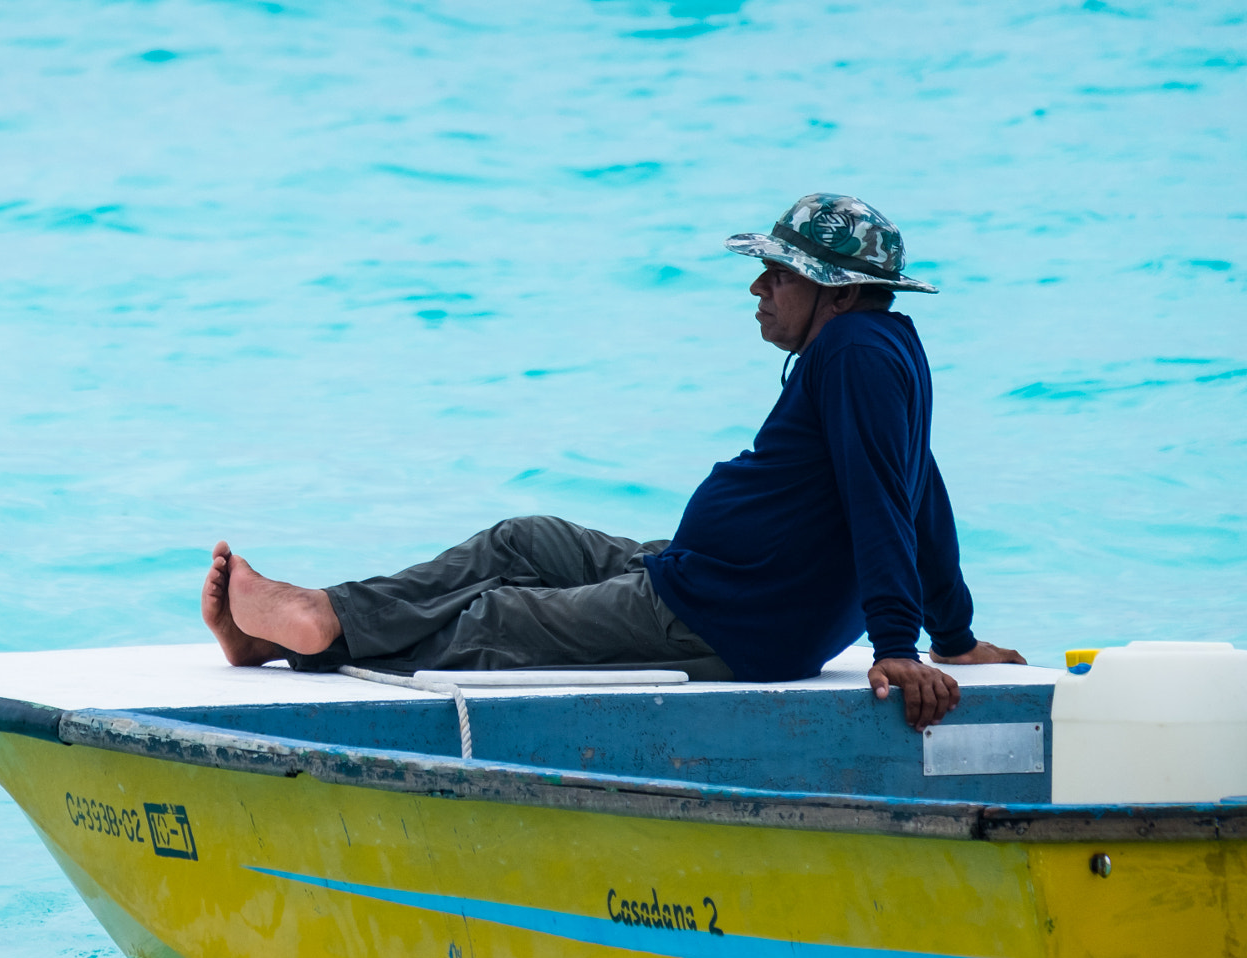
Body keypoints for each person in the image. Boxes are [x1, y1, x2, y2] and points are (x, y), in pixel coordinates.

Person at [201, 193, 1024, 732]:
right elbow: (924, 489)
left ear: (837, 291)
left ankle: (303, 642)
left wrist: (898, 646)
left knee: (499, 620)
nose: (758, 290)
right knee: (523, 541)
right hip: (704, 575)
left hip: (724, 617)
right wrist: (952, 634)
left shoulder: (853, 352)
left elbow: (890, 498)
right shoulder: (878, 349)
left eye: (778, 274)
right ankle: (321, 613)